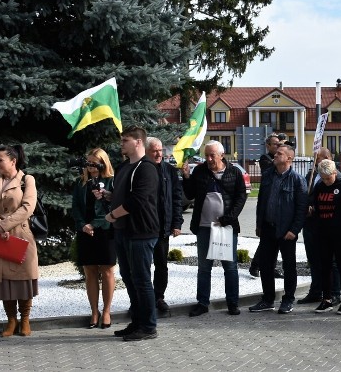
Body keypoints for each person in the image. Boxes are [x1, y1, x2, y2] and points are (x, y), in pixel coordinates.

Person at [105, 125, 160, 342]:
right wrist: (108, 196)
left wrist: (112, 216)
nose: (121, 144)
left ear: (138, 142)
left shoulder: (146, 168)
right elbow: (122, 195)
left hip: (141, 231)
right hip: (124, 231)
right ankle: (137, 321)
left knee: (142, 280)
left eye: (125, 140)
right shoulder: (124, 167)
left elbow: (137, 201)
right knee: (129, 278)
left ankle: (148, 326)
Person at [182, 140, 247, 317]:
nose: (209, 159)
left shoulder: (233, 171)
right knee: (204, 267)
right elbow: (189, 195)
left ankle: (232, 303)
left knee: (230, 267)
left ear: (221, 155)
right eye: (207, 155)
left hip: (225, 227)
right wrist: (187, 177)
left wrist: (229, 217)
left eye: (212, 155)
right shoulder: (200, 171)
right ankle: (202, 303)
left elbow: (241, 197)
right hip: (204, 227)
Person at [0, 144, 39, 337]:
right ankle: (11, 321)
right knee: (3, 280)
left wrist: (4, 226)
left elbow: (28, 207)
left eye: (0, 160)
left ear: (13, 161)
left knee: (22, 279)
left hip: (20, 235)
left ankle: (25, 319)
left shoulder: (27, 180)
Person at [250, 145, 308, 314]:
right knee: (266, 265)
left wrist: (295, 230)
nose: (275, 155)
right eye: (276, 153)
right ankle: (267, 299)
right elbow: (261, 201)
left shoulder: (297, 180)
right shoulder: (268, 175)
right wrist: (259, 224)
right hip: (267, 228)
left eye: (280, 153)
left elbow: (301, 207)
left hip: (286, 231)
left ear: (289, 158)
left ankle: (288, 299)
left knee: (289, 266)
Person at [70, 148, 116, 329]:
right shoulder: (81, 183)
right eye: (88, 163)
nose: (91, 167)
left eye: (95, 163)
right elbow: (75, 208)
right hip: (85, 232)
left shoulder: (111, 182)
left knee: (107, 272)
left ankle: (106, 312)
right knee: (89, 272)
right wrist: (83, 225)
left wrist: (94, 224)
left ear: (103, 163)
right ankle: (94, 311)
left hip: (105, 231)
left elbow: (112, 207)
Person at [299, 147, 341, 305]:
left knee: (331, 262)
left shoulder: (337, 177)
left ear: (327, 158)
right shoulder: (310, 175)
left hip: (328, 227)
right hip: (311, 226)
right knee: (314, 260)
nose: (315, 161)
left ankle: (335, 293)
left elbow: (337, 203)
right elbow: (307, 195)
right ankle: (316, 291)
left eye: (317, 158)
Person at [310, 160, 341, 314]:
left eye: (328, 178)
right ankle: (327, 299)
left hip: (340, 234)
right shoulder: (319, 187)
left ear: (335, 173)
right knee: (325, 267)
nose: (326, 181)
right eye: (323, 178)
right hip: (323, 233)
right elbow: (315, 205)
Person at [146, 137, 184, 314]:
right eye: (154, 150)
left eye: (160, 150)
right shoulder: (141, 170)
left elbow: (177, 198)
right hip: (144, 228)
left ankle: (159, 297)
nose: (159, 154)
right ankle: (142, 300)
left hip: (163, 228)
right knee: (143, 266)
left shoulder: (169, 170)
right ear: (146, 151)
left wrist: (177, 223)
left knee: (161, 265)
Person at [251, 134, 282, 277]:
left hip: (279, 205)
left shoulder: (280, 159)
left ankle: (272, 266)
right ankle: (255, 266)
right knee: (265, 241)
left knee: (276, 241)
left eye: (279, 144)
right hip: (268, 202)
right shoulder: (265, 159)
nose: (278, 147)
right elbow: (271, 169)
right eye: (275, 144)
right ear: (268, 146)